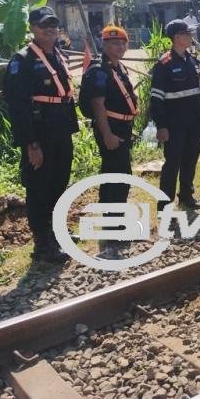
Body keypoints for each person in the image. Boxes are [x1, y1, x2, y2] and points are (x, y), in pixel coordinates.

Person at [3, 6, 78, 263]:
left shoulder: (58, 55)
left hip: (61, 131)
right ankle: (43, 244)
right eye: (44, 25)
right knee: (39, 188)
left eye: (54, 25)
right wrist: (30, 144)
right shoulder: (22, 61)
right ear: (33, 28)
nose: (50, 29)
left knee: (59, 183)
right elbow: (18, 106)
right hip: (40, 135)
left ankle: (57, 232)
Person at [80, 25, 138, 259]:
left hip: (122, 128)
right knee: (114, 178)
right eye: (114, 43)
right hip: (110, 130)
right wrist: (107, 135)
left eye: (123, 43)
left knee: (122, 177)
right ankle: (112, 229)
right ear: (104, 45)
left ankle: (118, 223)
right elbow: (98, 106)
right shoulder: (99, 71)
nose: (119, 47)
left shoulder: (117, 68)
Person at [148, 20, 200, 209]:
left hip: (194, 121)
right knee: (172, 164)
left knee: (190, 159)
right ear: (177, 37)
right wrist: (161, 125)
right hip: (175, 124)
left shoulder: (191, 60)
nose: (191, 37)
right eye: (187, 34)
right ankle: (165, 205)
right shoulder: (164, 64)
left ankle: (186, 197)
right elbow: (156, 98)